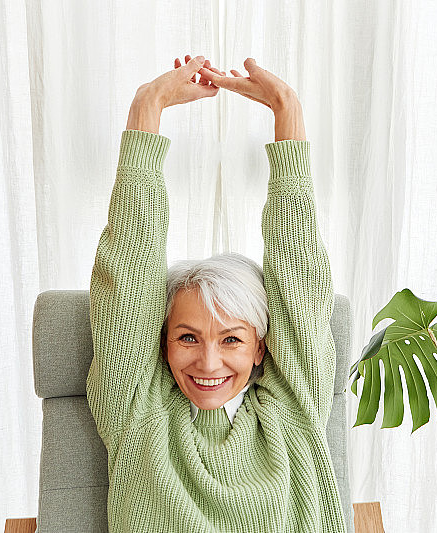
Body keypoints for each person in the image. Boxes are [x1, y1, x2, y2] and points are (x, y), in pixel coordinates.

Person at [86, 53, 347, 533]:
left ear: (261, 347)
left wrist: (287, 110)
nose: (208, 363)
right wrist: (148, 107)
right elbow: (127, 277)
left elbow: (299, 279)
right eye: (187, 337)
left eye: (231, 339)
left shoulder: (293, 412)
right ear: (159, 339)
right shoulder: (137, 413)